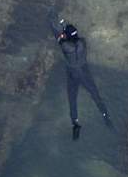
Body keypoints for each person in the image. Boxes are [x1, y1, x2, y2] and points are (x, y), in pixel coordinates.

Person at [48, 10, 112, 140]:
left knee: (72, 99)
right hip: (84, 72)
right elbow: (71, 35)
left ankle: (75, 123)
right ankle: (106, 116)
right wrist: (65, 27)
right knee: (95, 95)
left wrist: (53, 19)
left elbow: (58, 34)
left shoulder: (66, 46)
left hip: (73, 74)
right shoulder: (82, 42)